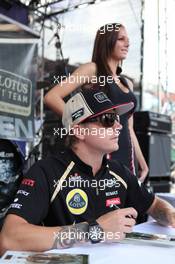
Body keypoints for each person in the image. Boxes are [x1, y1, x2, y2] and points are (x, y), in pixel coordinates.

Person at [0, 87, 175, 254]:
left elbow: (154, 204)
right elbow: (8, 239)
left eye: (117, 119)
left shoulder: (118, 171)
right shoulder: (46, 172)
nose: (118, 126)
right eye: (107, 119)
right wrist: (95, 230)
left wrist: (169, 214)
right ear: (79, 131)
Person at [44, 22, 148, 182]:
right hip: (101, 152)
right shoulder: (93, 70)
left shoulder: (128, 83)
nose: (127, 43)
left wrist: (142, 162)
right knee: (105, 202)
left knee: (129, 203)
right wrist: (82, 124)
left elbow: (129, 128)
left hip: (128, 158)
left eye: (128, 39)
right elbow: (52, 97)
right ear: (107, 41)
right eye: (121, 38)